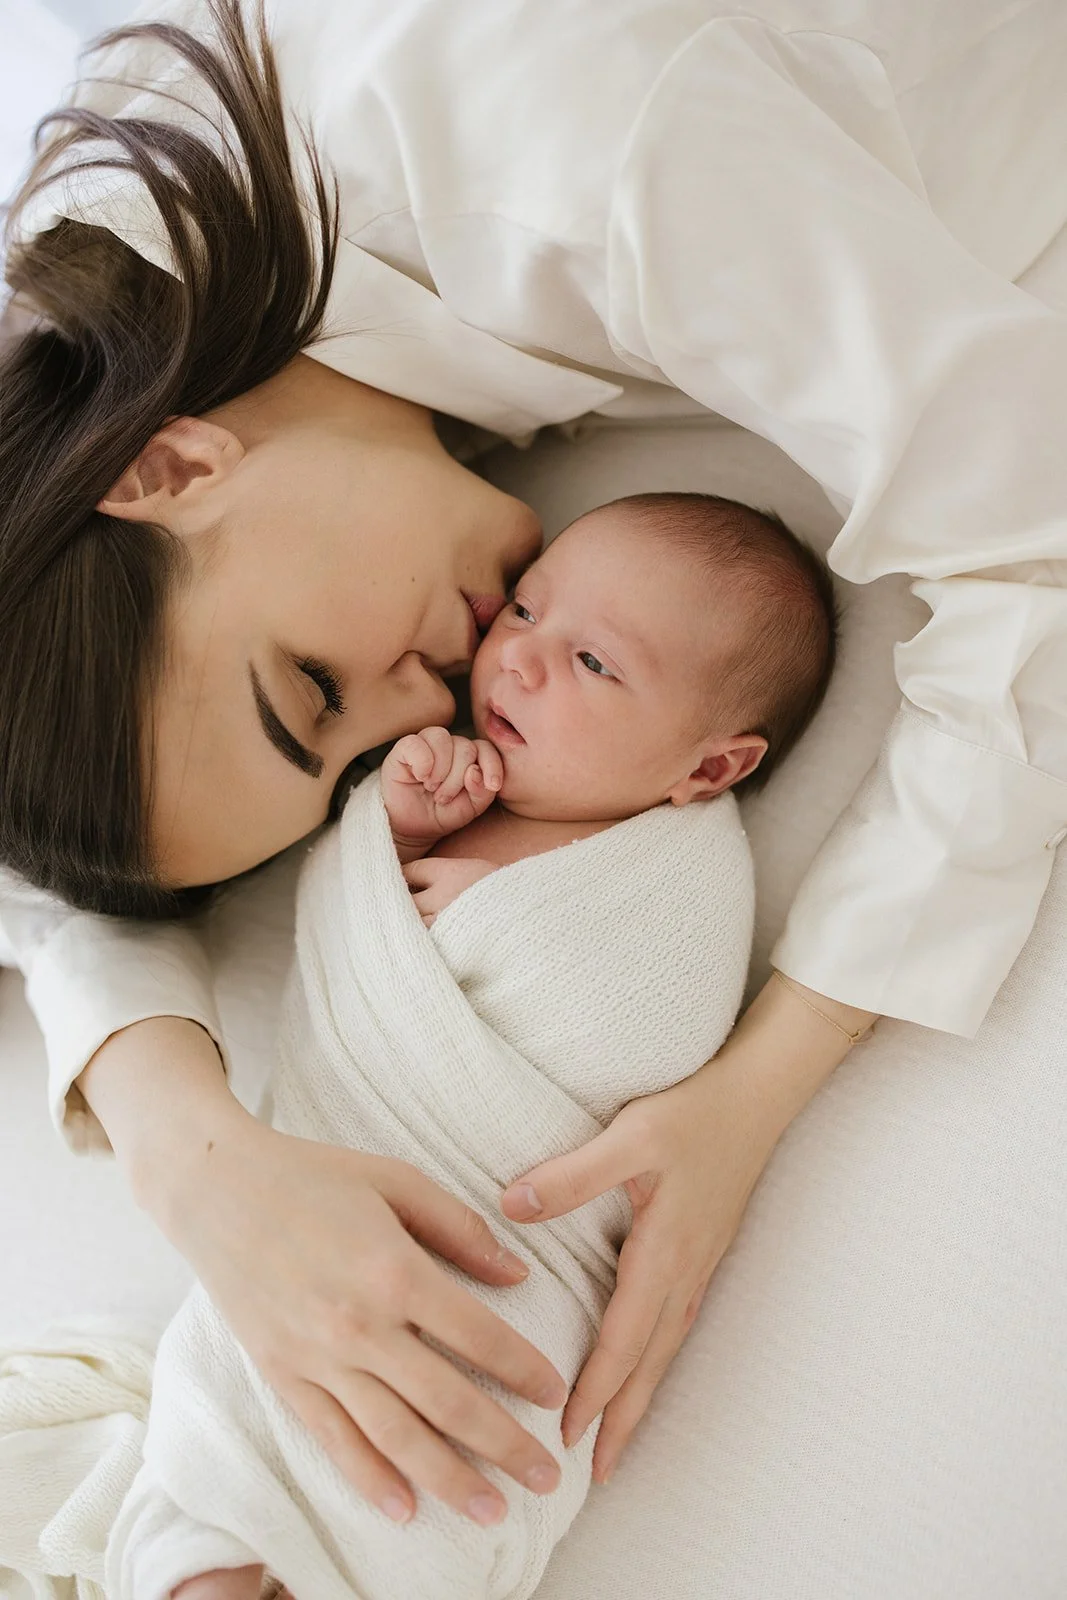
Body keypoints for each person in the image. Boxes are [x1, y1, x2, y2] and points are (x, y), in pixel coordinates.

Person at [1, 0, 1066, 1552]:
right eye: (356, 755)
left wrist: (749, 1092)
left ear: (168, 467)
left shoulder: (585, 142)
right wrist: (193, 1155)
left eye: (312, 686)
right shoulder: (87, 359)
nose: (424, 704)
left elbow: (1036, 532)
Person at [111, 491, 833, 1600]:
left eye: (592, 661)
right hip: (323, 1195)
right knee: (230, 1448)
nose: (519, 659)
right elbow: (346, 927)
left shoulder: (673, 880)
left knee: (369, 1475)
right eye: (528, 608)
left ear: (709, 769)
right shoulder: (447, 779)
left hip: (500, 1265)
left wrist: (485, 912)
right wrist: (391, 832)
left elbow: (641, 1024)